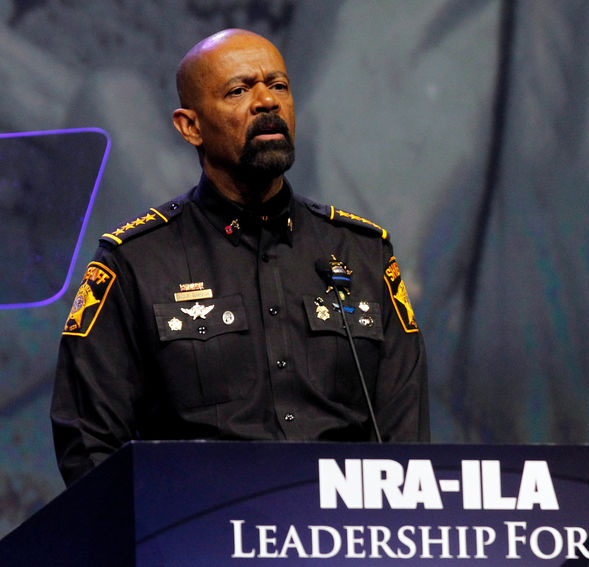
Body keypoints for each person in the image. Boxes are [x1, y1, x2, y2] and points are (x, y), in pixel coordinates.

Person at [51, 29, 429, 487]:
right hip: (196, 540)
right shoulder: (134, 262)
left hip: (342, 543)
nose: (267, 101)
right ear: (190, 126)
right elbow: (88, 443)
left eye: (279, 85)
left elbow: (407, 444)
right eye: (239, 90)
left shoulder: (363, 253)